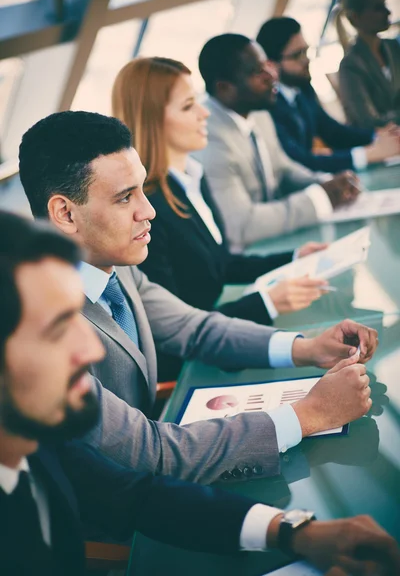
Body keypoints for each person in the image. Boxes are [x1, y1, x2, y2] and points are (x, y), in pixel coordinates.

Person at [1, 211, 398, 576]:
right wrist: (306, 415)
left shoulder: (40, 439)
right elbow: (148, 459)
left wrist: (294, 531)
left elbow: (136, 496)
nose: (88, 350)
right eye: (56, 331)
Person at [18, 110, 378, 486]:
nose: (149, 210)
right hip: (109, 520)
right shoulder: (36, 331)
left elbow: (195, 328)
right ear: (64, 213)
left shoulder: (110, 264)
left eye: (142, 189)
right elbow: (149, 452)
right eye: (125, 198)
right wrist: (308, 416)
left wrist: (307, 348)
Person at [112, 56, 330, 381]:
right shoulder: (147, 211)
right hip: (198, 367)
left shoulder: (191, 180)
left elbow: (221, 263)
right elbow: (176, 329)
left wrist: (293, 257)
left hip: (225, 344)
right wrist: (266, 302)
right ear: (153, 120)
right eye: (188, 107)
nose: (205, 112)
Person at [195, 33, 360, 251]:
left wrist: (326, 182)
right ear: (224, 88)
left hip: (278, 238)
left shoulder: (257, 110)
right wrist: (320, 198)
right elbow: (242, 225)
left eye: (268, 65)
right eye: (257, 72)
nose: (272, 75)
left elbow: (283, 168)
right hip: (248, 255)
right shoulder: (208, 138)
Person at [256, 16, 400, 173]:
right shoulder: (267, 105)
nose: (306, 60)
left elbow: (332, 131)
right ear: (272, 64)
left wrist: (378, 135)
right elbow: (300, 161)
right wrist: (369, 154)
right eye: (297, 55)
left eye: (306, 51)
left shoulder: (302, 87)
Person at [338, 0, 400, 128]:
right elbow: (366, 121)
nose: (388, 12)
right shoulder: (350, 65)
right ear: (355, 18)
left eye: (384, 5)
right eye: (378, 8)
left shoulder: (394, 47)